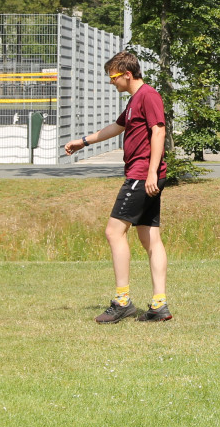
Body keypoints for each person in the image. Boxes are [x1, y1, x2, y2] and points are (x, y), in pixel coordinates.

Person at [64, 51, 172, 323]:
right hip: (144, 175)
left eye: (113, 77)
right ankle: (159, 305)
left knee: (114, 232)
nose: (111, 82)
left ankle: (122, 301)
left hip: (141, 174)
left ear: (127, 74)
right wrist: (83, 141)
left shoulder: (148, 95)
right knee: (150, 237)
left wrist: (150, 173)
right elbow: (118, 126)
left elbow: (158, 130)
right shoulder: (135, 100)